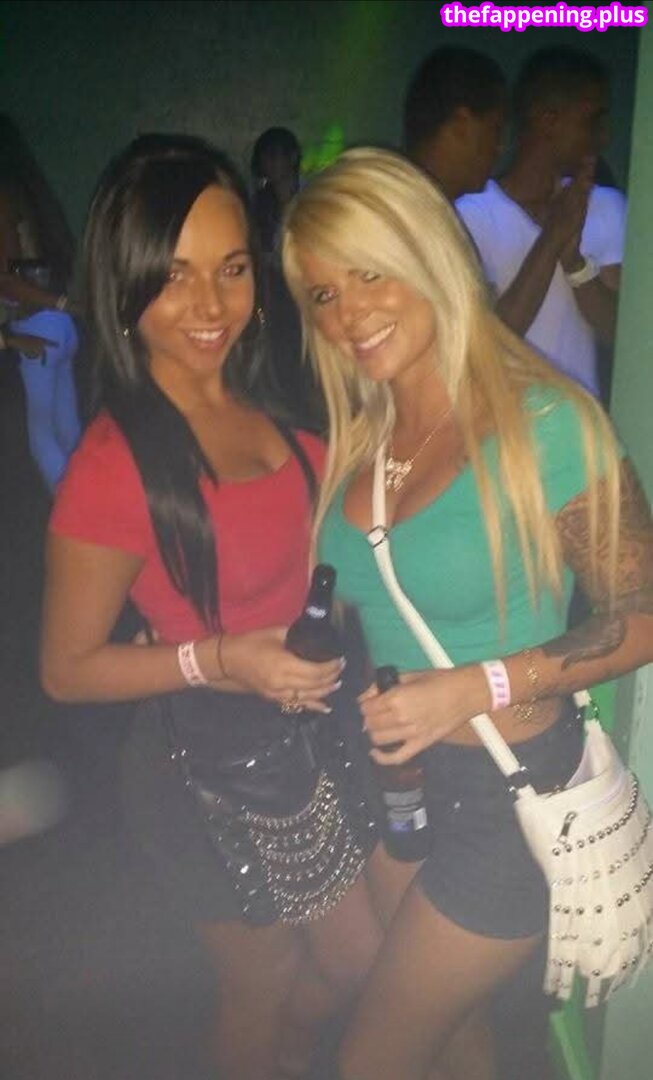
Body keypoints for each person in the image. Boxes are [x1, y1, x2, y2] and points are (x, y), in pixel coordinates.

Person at [282, 147, 653, 1080]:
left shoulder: (545, 425)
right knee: (454, 1041)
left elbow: (643, 614)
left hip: (508, 796)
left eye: (369, 273)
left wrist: (476, 685)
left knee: (369, 1061)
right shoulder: (361, 442)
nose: (349, 313)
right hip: (398, 785)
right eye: (323, 294)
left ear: (428, 253)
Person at [40, 134, 383, 1080]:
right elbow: (64, 671)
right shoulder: (111, 466)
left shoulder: (282, 400)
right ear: (124, 283)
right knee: (259, 984)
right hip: (201, 769)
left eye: (231, 269)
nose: (209, 304)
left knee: (356, 961)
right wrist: (221, 655)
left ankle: (292, 1056)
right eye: (174, 274)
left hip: (314, 733)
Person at [456, 47, 626, 400]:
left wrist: (575, 264)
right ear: (548, 120)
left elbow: (622, 334)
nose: (603, 137)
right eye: (592, 121)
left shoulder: (605, 206)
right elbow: (489, 342)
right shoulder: (473, 214)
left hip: (580, 427)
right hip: (501, 424)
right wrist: (552, 238)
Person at [0, 114, 81, 492]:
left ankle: (75, 516)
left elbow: (7, 279)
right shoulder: (28, 191)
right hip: (59, 328)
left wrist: (62, 303)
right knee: (69, 429)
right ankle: (91, 507)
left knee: (42, 435)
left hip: (36, 326)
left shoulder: (3, 196)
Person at [404, 46, 507, 201]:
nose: (499, 148)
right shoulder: (399, 205)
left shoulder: (394, 194)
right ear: (461, 124)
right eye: (495, 130)